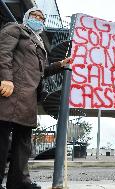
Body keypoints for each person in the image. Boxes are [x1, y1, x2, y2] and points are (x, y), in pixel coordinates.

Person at [0, 7, 72, 189]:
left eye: (41, 18)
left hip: (28, 97)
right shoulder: (15, 29)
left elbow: (40, 72)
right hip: (11, 91)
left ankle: (19, 183)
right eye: (34, 16)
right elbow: (3, 53)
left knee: (23, 143)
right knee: (1, 138)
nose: (38, 19)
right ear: (26, 17)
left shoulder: (38, 42)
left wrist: (59, 65)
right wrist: (5, 79)